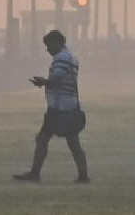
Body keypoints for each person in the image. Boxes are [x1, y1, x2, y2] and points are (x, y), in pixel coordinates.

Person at [14, 30, 89, 183]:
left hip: (59, 107)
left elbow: (57, 80)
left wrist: (42, 82)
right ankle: (83, 175)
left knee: (43, 138)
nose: (47, 49)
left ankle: (35, 173)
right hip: (70, 105)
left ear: (57, 43)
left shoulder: (61, 58)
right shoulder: (71, 57)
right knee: (73, 142)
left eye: (49, 45)